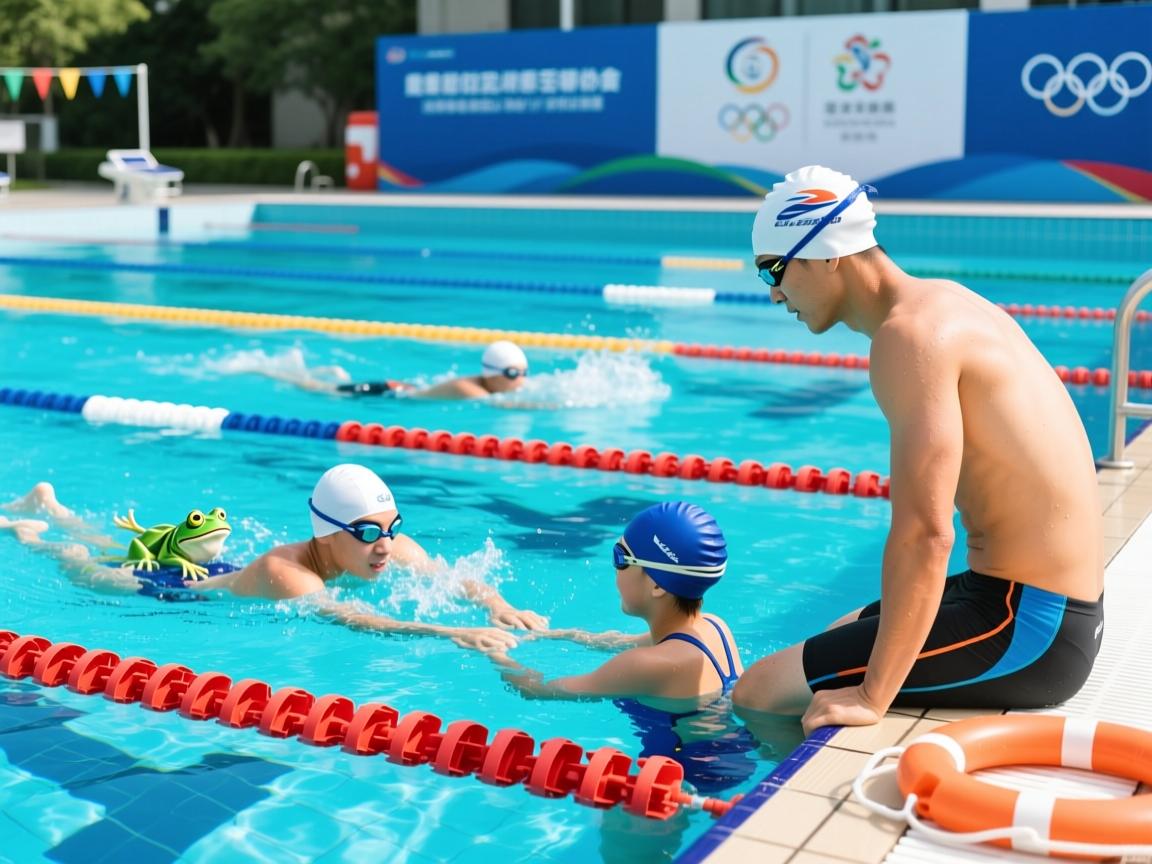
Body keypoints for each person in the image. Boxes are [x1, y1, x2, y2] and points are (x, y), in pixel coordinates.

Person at [732, 165, 1104, 735]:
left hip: (1033, 627)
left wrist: (871, 695)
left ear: (828, 253)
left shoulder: (909, 337)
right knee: (832, 637)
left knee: (758, 692)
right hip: (1023, 600)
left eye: (774, 270)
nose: (776, 293)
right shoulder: (942, 303)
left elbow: (927, 534)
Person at [2, 466, 547, 652]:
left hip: (219, 570)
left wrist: (496, 604)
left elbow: (452, 580)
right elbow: (357, 618)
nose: (386, 544)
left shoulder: (391, 547)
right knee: (89, 566)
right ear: (329, 533)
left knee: (114, 544)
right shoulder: (287, 575)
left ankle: (50, 502)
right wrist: (447, 633)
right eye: (366, 532)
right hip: (171, 590)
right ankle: (34, 532)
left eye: (391, 528)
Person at [495, 502, 758, 794]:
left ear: (657, 585)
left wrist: (493, 652)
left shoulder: (644, 665)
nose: (615, 571)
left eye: (620, 558)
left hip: (678, 781)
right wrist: (556, 634)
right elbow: (615, 642)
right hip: (732, 761)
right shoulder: (713, 628)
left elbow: (538, 689)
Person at [267, 340, 529, 400]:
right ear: (492, 373)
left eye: (524, 373)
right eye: (513, 374)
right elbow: (506, 406)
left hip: (402, 390)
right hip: (386, 392)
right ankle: (273, 371)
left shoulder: (483, 383)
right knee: (317, 389)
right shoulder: (470, 389)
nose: (521, 381)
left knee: (335, 386)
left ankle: (338, 375)